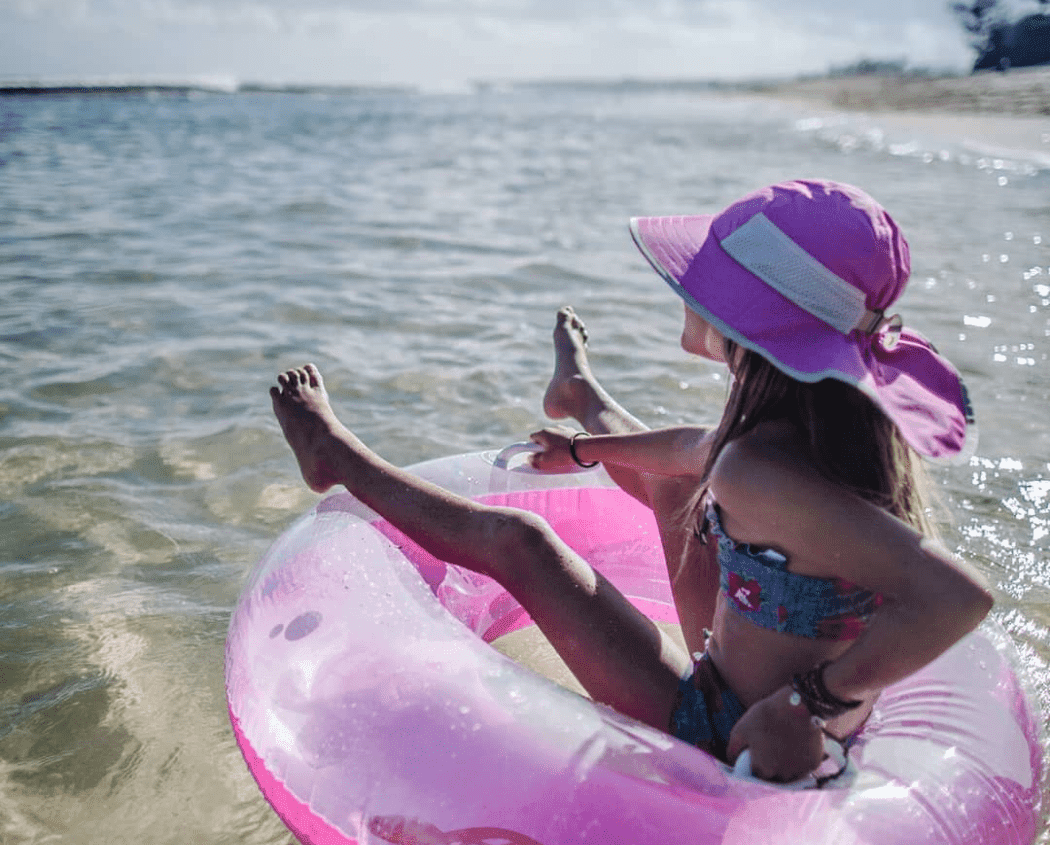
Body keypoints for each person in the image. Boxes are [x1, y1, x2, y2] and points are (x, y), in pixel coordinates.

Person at [270, 179, 992, 784]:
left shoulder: (762, 471)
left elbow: (959, 596)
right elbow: (690, 450)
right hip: (747, 674)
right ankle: (579, 392)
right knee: (677, 485)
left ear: (747, 328)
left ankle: (340, 461)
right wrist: (585, 446)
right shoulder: (815, 430)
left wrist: (807, 705)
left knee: (520, 539)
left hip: (737, 731)